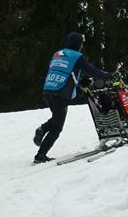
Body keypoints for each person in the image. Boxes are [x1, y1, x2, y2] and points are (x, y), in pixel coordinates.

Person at [33, 32, 115, 164]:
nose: (82, 46)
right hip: (60, 93)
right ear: (78, 44)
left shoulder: (58, 54)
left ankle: (42, 129)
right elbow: (92, 71)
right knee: (57, 127)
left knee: (56, 119)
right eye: (82, 44)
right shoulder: (77, 56)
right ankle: (40, 156)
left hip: (48, 90)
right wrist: (109, 76)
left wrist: (81, 81)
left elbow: (68, 71)